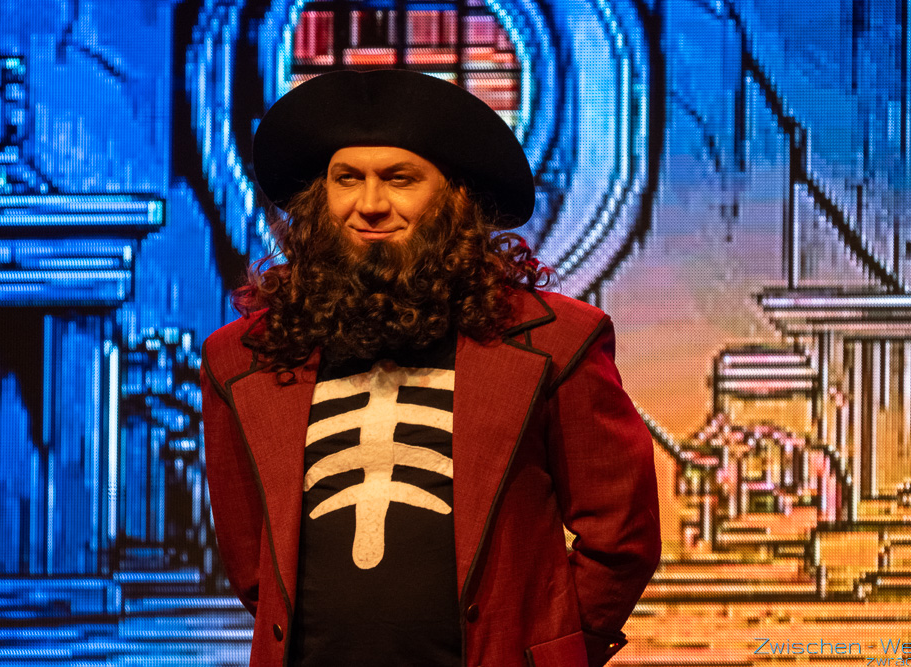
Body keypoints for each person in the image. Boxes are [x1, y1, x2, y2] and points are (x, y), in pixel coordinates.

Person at [200, 69, 660, 667]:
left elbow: (621, 534)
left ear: (454, 199)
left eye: (400, 179)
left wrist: (553, 652)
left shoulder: (558, 343)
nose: (370, 205)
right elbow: (251, 562)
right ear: (319, 197)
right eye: (347, 179)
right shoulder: (243, 359)